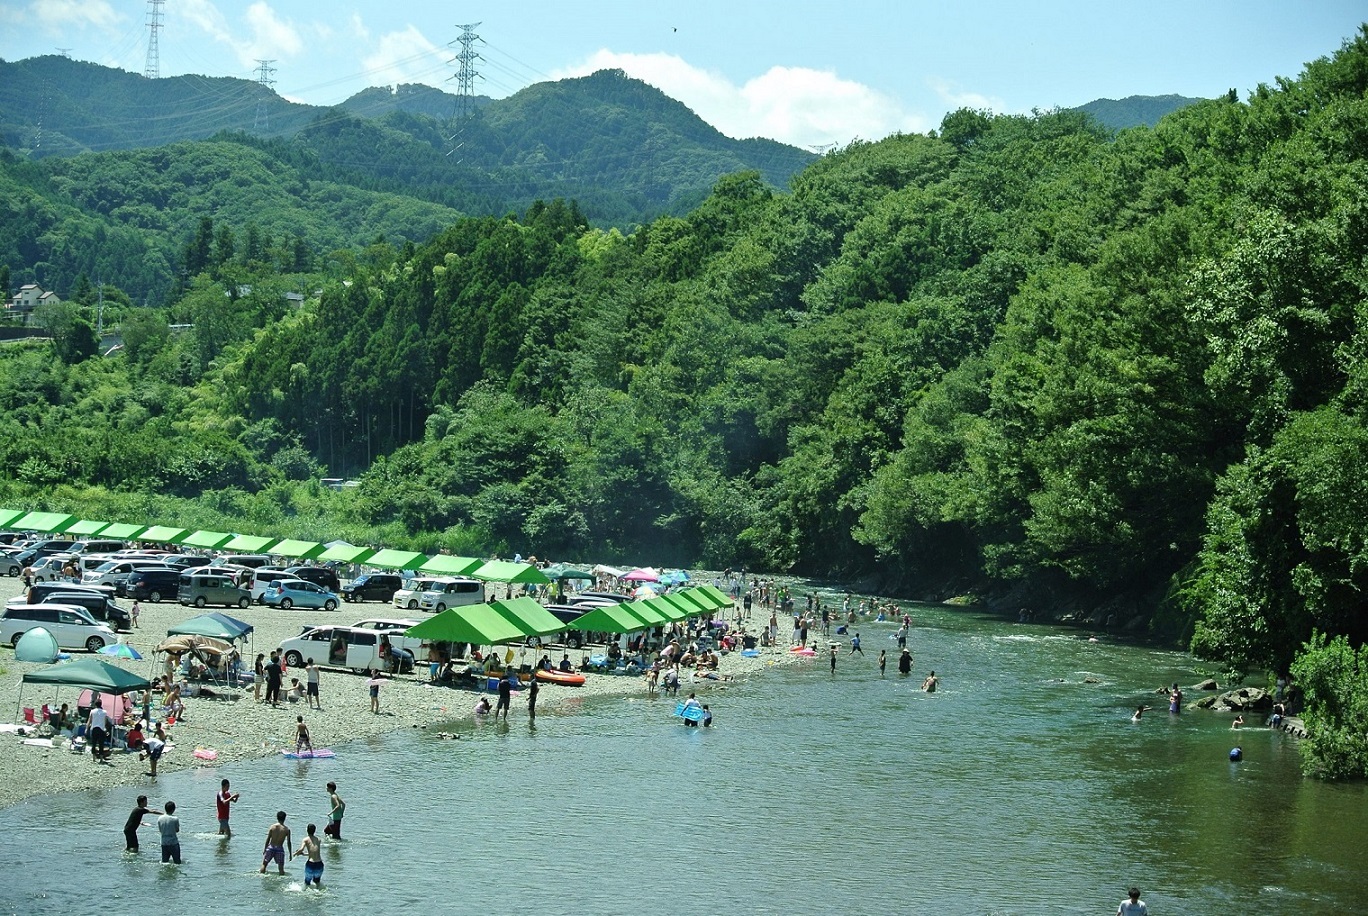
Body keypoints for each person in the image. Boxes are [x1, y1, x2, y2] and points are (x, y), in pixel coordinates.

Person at [259, 810, 292, 875]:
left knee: (264, 864)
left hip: (271, 847)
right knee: (281, 868)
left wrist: (265, 849)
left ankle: (261, 876)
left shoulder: (272, 827)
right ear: (285, 818)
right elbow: (289, 842)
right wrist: (290, 853)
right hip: (279, 849)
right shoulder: (286, 830)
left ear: (277, 818)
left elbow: (268, 839)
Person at [295, 823, 324, 888]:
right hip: (319, 864)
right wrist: (304, 854)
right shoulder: (318, 840)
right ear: (314, 830)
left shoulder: (305, 839)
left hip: (311, 864)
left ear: (307, 830)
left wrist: (294, 854)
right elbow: (314, 852)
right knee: (317, 882)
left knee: (307, 883)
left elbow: (301, 849)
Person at [86, 698, 111, 764]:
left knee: (93, 743)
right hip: (101, 729)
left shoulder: (92, 711)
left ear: (95, 704)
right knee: (101, 744)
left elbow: (89, 720)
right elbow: (105, 721)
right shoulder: (104, 712)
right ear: (101, 704)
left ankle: (94, 758)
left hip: (94, 728)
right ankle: (101, 759)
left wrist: (86, 728)